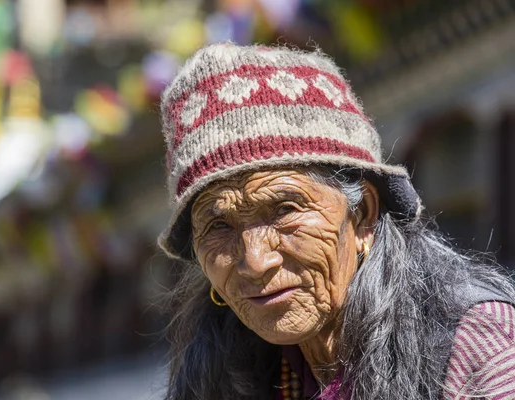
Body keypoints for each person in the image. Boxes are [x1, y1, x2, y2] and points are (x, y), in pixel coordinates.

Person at [158, 43, 515, 399]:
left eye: (285, 210)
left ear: (362, 215)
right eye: (219, 226)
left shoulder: (477, 345)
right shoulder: (220, 372)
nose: (254, 262)